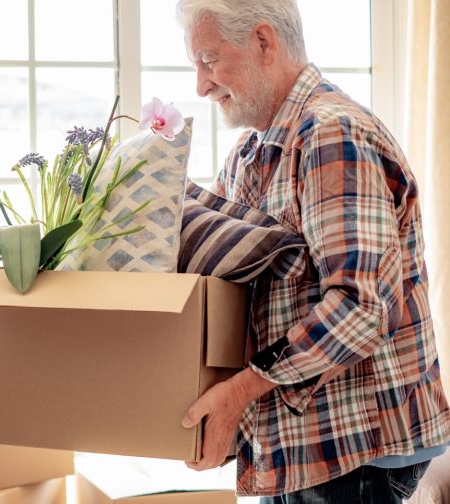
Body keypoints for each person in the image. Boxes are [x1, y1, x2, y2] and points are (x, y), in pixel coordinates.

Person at [175, 0, 450, 502]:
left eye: (209, 60)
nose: (201, 86)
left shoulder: (331, 135)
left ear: (263, 42)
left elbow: (360, 307)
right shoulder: (250, 154)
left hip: (355, 446)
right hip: (299, 446)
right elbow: (224, 286)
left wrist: (238, 394)